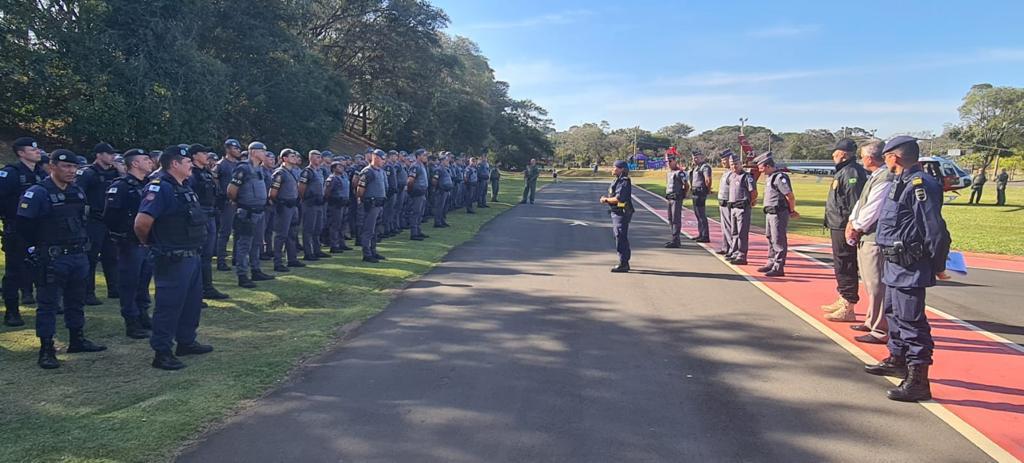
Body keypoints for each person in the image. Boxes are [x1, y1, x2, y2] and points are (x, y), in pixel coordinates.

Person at [864, 136, 950, 402]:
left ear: (894, 157)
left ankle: (918, 381)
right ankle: (897, 358)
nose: (885, 159)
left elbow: (934, 229)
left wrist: (937, 264)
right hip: (894, 263)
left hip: (910, 266)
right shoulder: (899, 182)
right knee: (894, 314)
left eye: (887, 155)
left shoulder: (920, 184)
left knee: (912, 322)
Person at [18, 149, 107, 368]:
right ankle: (46, 348)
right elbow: (23, 227)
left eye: (74, 167)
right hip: (52, 258)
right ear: (51, 167)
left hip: (77, 256)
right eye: (66, 166)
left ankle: (77, 339)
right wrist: (33, 251)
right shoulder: (38, 193)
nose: (71, 171)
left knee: (76, 301)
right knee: (48, 304)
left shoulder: (76, 191)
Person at [134, 146, 214, 370]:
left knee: (191, 303)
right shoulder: (160, 188)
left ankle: (186, 342)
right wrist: (149, 243)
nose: (191, 164)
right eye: (186, 161)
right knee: (169, 306)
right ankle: (162, 351)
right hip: (173, 258)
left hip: (192, 255)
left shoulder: (184, 186)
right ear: (174, 164)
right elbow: (142, 222)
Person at [104, 149, 156, 339]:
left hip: (147, 241)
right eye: (145, 159)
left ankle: (143, 314)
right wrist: (122, 234)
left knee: (143, 281)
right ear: (134, 164)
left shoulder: (150, 184)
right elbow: (111, 215)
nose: (150, 162)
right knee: (129, 282)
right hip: (129, 241)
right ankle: (131, 320)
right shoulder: (121, 186)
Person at [843, 140, 892, 339]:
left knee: (877, 283)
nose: (861, 160)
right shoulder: (875, 176)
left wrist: (857, 226)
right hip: (866, 235)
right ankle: (871, 320)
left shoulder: (885, 177)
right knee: (870, 283)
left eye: (863, 156)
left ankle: (880, 328)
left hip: (874, 236)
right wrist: (852, 222)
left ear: (870, 158)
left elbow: (874, 208)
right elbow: (861, 204)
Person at [1, 137, 47, 326]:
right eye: (32, 150)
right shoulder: (10, 173)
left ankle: (44, 306)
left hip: (39, 230)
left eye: (37, 149)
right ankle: (12, 312)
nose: (37, 152)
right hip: (17, 230)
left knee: (42, 268)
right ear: (21, 153)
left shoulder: (40, 173)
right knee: (15, 272)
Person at [821, 138, 867, 320]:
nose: (833, 155)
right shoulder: (843, 171)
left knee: (846, 263)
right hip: (837, 224)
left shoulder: (851, 172)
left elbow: (855, 203)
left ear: (844, 154)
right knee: (840, 263)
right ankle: (843, 297)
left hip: (844, 225)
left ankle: (849, 305)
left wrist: (852, 225)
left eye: (836, 152)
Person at [76, 142, 122, 305]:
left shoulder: (114, 172)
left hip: (110, 220)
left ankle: (114, 288)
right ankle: (88, 292)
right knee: (91, 257)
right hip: (93, 219)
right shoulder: (88, 173)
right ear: (99, 155)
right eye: (109, 154)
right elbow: (77, 193)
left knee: (112, 256)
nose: (112, 157)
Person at [228, 142, 275, 288]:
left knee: (257, 243)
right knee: (244, 244)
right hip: (247, 212)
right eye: (263, 151)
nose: (265, 154)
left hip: (259, 211)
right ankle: (242, 275)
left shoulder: (259, 169)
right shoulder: (243, 168)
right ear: (254, 152)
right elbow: (231, 190)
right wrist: (240, 203)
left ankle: (256, 270)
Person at [186, 144, 230, 301]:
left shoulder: (206, 173)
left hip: (210, 216)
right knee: (197, 256)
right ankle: (196, 292)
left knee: (207, 256)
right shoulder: (191, 174)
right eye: (203, 153)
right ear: (194, 156)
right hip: (199, 218)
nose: (207, 155)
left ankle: (207, 288)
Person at [755, 151, 798, 276]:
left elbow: (789, 196)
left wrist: (791, 210)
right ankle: (771, 262)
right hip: (770, 213)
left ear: (768, 165)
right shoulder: (770, 177)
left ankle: (778, 266)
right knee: (770, 238)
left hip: (778, 213)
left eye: (761, 167)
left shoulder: (779, 177)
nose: (760, 170)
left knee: (778, 240)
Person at [269, 149, 304, 272]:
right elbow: (272, 193)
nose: (295, 158)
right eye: (292, 156)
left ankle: (292, 259)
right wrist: (280, 203)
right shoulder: (280, 173)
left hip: (293, 206)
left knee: (292, 234)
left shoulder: (292, 172)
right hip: (284, 207)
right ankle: (277, 262)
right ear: (284, 158)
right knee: (281, 235)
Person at [213, 139, 243, 271]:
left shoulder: (239, 164)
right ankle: (221, 261)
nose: (238, 150)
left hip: (240, 202)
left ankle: (237, 258)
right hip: (227, 202)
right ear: (228, 149)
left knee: (239, 231)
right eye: (235, 148)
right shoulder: (221, 165)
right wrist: (221, 194)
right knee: (225, 232)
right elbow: (214, 180)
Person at [600, 160, 634, 273]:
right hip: (616, 212)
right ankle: (624, 260)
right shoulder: (617, 180)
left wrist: (605, 200)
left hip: (622, 212)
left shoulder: (624, 181)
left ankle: (624, 263)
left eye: (615, 167)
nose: (613, 169)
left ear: (622, 169)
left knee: (620, 236)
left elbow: (619, 199)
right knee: (619, 235)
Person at [726, 153, 757, 265]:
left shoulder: (746, 176)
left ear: (740, 164)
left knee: (742, 233)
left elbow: (753, 192)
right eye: (731, 164)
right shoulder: (731, 176)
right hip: (733, 208)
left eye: (736, 164)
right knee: (734, 232)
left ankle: (742, 255)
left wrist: (750, 203)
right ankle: (734, 252)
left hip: (742, 208)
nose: (734, 166)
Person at [358, 149, 388, 263]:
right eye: (382, 158)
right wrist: (364, 202)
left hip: (379, 204)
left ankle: (373, 251)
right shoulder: (367, 172)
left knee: (376, 230)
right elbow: (360, 189)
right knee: (368, 230)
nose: (384, 161)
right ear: (375, 157)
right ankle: (367, 253)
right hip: (371, 204)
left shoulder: (380, 171)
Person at [299, 150, 329, 261]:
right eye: (317, 157)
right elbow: (301, 187)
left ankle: (317, 250)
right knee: (308, 229)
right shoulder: (307, 172)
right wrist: (305, 198)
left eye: (320, 157)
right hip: (310, 203)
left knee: (318, 228)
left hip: (319, 203)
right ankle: (308, 252)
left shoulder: (320, 171)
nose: (319, 159)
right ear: (311, 158)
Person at [325, 161, 352, 253]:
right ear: (334, 168)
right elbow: (327, 192)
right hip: (336, 204)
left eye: (342, 166)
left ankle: (341, 243)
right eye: (339, 166)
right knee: (335, 225)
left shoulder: (344, 177)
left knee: (343, 225)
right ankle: (334, 245)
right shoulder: (332, 178)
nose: (342, 167)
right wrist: (332, 200)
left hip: (344, 203)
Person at [664, 155, 689, 248]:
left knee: (675, 219)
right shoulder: (669, 173)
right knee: (670, 219)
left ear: (675, 161)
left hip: (676, 198)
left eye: (670, 161)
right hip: (669, 198)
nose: (668, 163)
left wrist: (683, 194)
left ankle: (676, 240)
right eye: (667, 162)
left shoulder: (679, 173)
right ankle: (674, 239)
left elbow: (686, 185)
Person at [689, 150, 712, 243]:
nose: (695, 159)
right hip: (695, 192)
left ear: (702, 157)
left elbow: (708, 179)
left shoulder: (705, 167)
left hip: (700, 192)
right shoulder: (695, 167)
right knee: (697, 214)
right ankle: (701, 234)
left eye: (697, 157)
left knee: (701, 214)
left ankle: (705, 235)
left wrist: (708, 189)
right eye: (694, 157)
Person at [407, 149, 430, 241]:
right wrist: (411, 191)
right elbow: (410, 180)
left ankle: (418, 231)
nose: (426, 157)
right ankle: (414, 233)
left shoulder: (422, 166)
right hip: (417, 193)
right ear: (418, 156)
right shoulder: (415, 166)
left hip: (422, 192)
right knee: (415, 213)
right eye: (424, 155)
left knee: (420, 213)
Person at [715, 150, 735, 256]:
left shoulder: (733, 173)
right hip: (722, 202)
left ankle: (732, 248)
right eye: (722, 160)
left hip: (728, 203)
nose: (723, 162)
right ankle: (725, 246)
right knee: (724, 227)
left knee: (729, 227)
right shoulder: (726, 172)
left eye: (725, 160)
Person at [432, 155, 453, 228]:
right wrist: (438, 188)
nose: (448, 162)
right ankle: (437, 222)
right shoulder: (438, 169)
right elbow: (434, 180)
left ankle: (442, 220)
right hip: (441, 191)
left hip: (446, 190)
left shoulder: (446, 169)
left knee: (444, 207)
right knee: (439, 207)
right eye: (446, 160)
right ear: (442, 161)